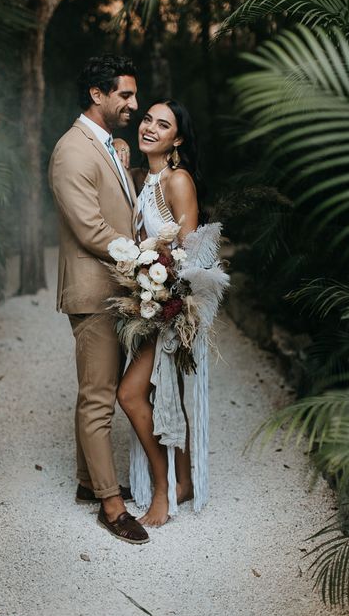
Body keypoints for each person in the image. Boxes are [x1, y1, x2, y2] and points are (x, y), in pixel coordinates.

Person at [48, 54, 150, 544]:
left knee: (97, 389)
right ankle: (112, 506)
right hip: (94, 291)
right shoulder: (72, 151)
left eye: (134, 94)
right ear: (97, 95)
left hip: (116, 288)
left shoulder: (115, 148)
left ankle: (91, 483)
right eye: (125, 95)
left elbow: (122, 209)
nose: (134, 103)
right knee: (98, 398)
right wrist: (146, 260)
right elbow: (90, 229)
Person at [115, 99, 204, 527]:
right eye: (147, 119)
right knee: (165, 395)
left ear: (177, 139)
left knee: (131, 394)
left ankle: (162, 490)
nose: (149, 127)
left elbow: (192, 256)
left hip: (169, 308)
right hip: (149, 305)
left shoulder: (177, 180)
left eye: (162, 124)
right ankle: (183, 481)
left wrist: (160, 284)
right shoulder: (144, 178)